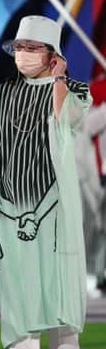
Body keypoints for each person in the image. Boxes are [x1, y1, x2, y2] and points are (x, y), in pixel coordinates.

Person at [0, 15, 89, 349]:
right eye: (19, 48)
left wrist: (58, 78)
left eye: (31, 48)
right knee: (17, 285)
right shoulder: (0, 93)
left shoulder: (73, 89)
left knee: (59, 283)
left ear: (52, 55)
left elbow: (67, 119)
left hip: (55, 206)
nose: (22, 55)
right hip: (9, 206)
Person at [74, 103, 106, 299]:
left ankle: (96, 274)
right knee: (92, 225)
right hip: (91, 175)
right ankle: (89, 275)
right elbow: (86, 127)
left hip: (94, 174)